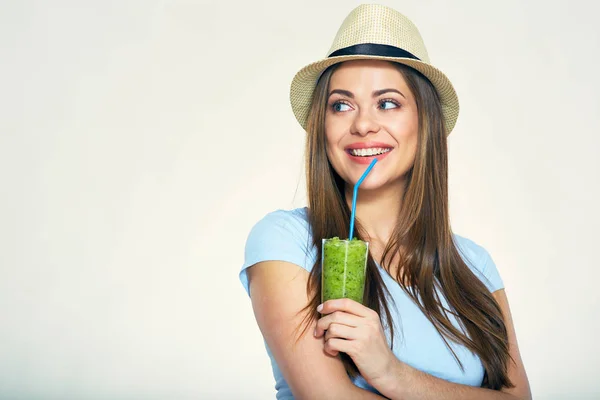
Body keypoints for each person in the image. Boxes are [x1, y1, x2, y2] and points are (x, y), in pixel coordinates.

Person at [239, 4, 531, 399]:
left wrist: (392, 373)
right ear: (321, 126)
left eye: (388, 102)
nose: (362, 124)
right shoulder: (286, 242)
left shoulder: (474, 267)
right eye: (340, 105)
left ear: (425, 121)